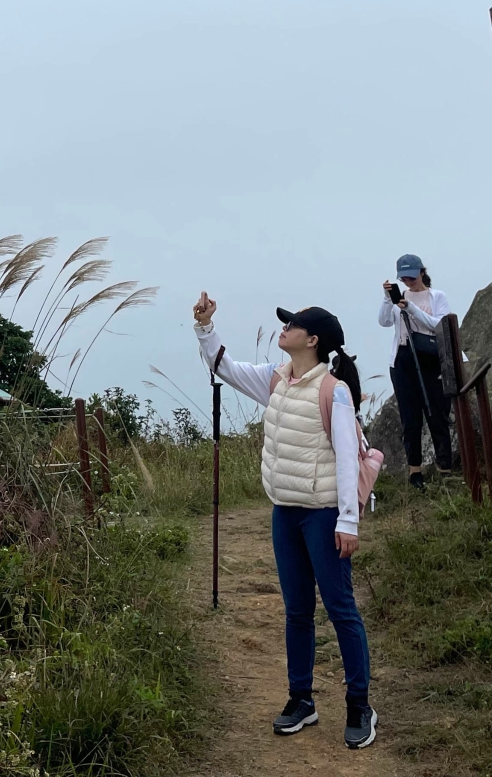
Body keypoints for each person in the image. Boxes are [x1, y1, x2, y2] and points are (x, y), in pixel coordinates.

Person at [192, 292, 377, 750]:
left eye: (292, 324)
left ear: (312, 340)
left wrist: (348, 522)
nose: (284, 328)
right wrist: (205, 328)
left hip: (323, 515)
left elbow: (348, 460)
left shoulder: (334, 392)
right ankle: (301, 699)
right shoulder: (277, 380)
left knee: (340, 609)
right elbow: (224, 367)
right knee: (296, 610)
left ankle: (359, 705)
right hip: (285, 512)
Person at [379, 253, 453, 490]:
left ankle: (445, 468)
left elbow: (438, 325)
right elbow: (384, 322)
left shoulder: (437, 296)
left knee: (437, 412)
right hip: (403, 360)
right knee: (410, 418)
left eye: (412, 277)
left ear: (422, 272)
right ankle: (415, 472)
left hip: (431, 358)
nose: (408, 282)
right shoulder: (400, 297)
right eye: (404, 278)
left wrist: (410, 308)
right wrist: (388, 300)